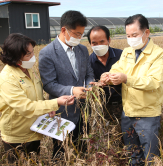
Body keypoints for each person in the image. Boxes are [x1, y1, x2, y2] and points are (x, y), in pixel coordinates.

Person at [100, 14, 163, 165]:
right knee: (133, 154)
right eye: (128, 35)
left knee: (151, 156)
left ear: (147, 33)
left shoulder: (159, 55)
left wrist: (126, 79)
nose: (131, 39)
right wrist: (107, 76)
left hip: (147, 114)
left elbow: (154, 82)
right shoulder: (127, 52)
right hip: (128, 112)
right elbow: (117, 68)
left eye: (135, 35)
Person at [0, 33, 75, 163]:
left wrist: (47, 107)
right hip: (18, 135)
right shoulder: (7, 79)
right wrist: (55, 102)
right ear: (16, 57)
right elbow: (25, 107)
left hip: (34, 129)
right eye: (28, 54)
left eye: (32, 52)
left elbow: (35, 95)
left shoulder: (28, 69)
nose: (33, 56)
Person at [38, 10, 94, 158]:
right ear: (64, 30)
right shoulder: (47, 53)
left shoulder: (82, 50)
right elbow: (49, 84)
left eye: (82, 34)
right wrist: (71, 90)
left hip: (83, 110)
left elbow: (89, 74)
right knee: (61, 153)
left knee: (81, 149)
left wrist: (89, 86)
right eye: (76, 34)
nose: (80, 38)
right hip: (61, 112)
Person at [87, 25, 122, 121]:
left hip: (124, 106)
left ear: (109, 40)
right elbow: (88, 84)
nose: (99, 45)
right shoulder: (88, 62)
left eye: (102, 41)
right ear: (90, 44)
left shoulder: (122, 56)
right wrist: (96, 86)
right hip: (101, 109)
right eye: (94, 43)